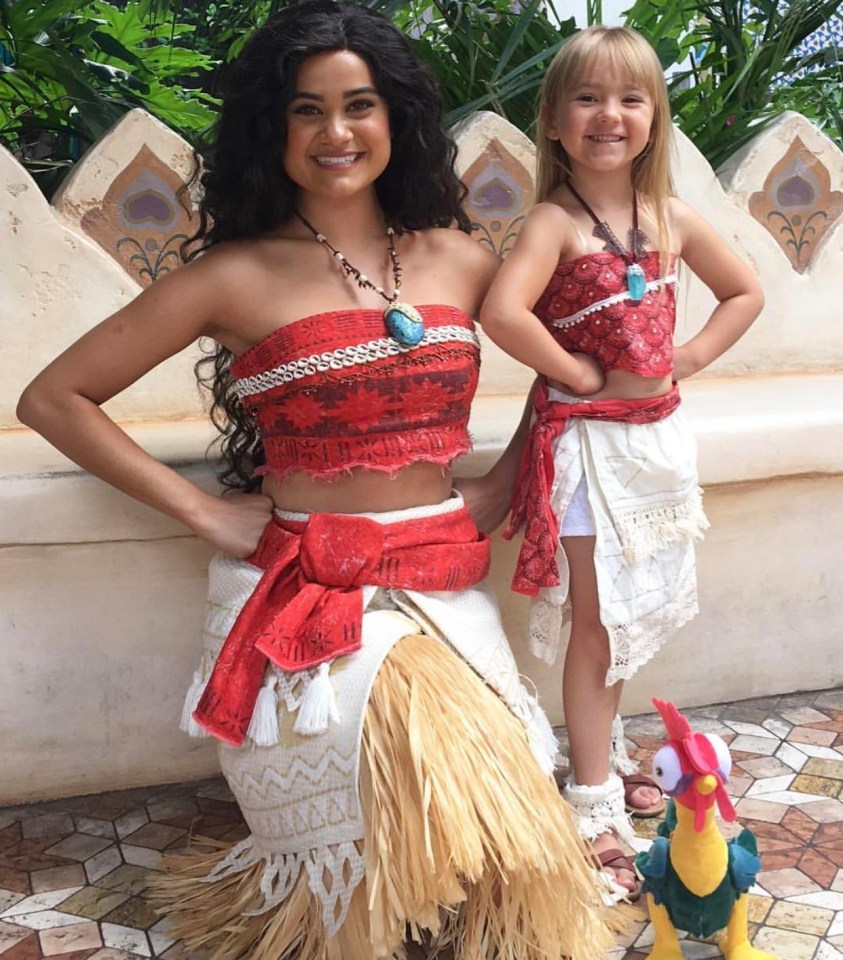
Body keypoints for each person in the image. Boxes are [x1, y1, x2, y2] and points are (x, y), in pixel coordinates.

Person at [17, 3, 616, 958]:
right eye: (306, 110)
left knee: (506, 857)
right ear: (273, 128)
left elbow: (580, 368)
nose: (335, 133)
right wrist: (206, 512)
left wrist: (507, 480)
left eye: (358, 105)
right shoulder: (233, 276)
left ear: (396, 119)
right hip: (311, 595)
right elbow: (55, 399)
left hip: (443, 582)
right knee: (410, 782)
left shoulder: (461, 259)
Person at [480, 25, 764, 900]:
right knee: (596, 622)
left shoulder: (670, 219)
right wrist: (572, 373)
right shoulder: (553, 222)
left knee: (627, 612)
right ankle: (591, 795)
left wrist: (688, 358)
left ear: (654, 117)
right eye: (588, 98)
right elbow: (503, 310)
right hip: (588, 451)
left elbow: (744, 290)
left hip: (654, 444)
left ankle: (598, 746)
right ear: (554, 121)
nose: (610, 115)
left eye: (630, 98)